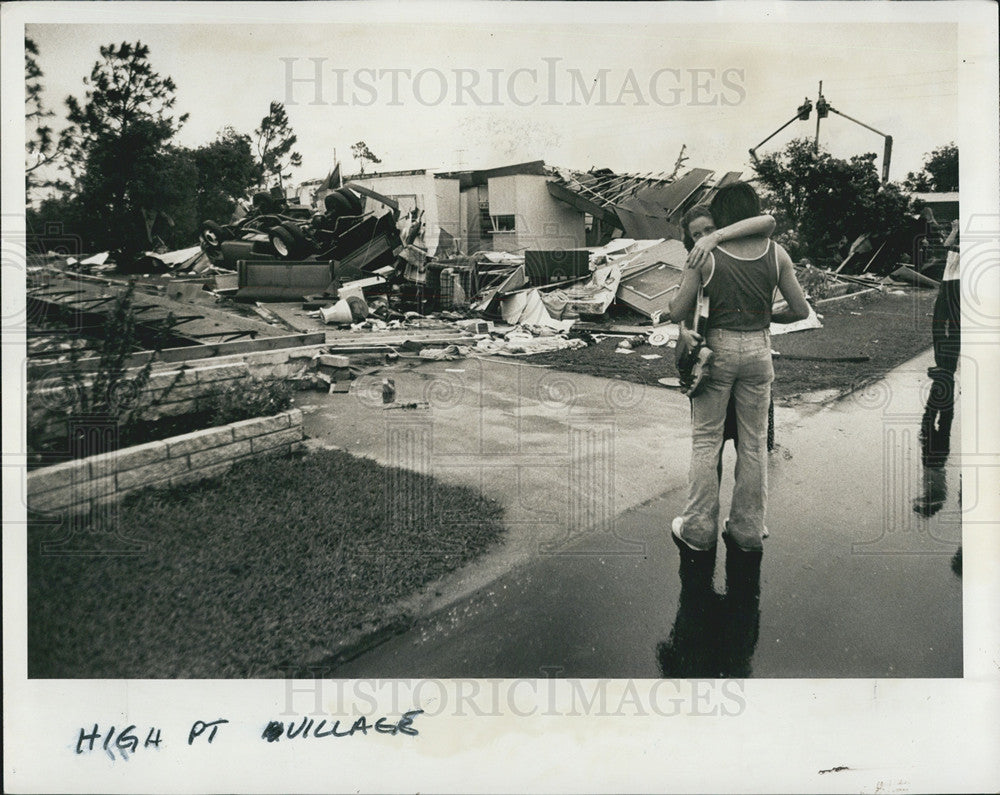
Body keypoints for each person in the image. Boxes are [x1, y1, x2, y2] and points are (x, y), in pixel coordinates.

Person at [668, 182, 811, 554]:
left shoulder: (706, 255)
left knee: (706, 440)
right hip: (759, 349)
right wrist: (768, 317)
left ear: (722, 216)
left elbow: (677, 312)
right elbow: (800, 310)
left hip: (718, 349)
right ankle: (747, 530)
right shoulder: (776, 253)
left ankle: (698, 530)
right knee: (753, 443)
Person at [676, 205, 778, 482]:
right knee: (717, 443)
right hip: (709, 358)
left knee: (736, 440)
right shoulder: (696, 260)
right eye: (696, 234)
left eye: (707, 229)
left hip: (728, 356)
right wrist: (684, 330)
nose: (703, 237)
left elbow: (769, 221)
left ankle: (702, 520)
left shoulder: (739, 253)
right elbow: (681, 308)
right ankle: (743, 522)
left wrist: (715, 237)